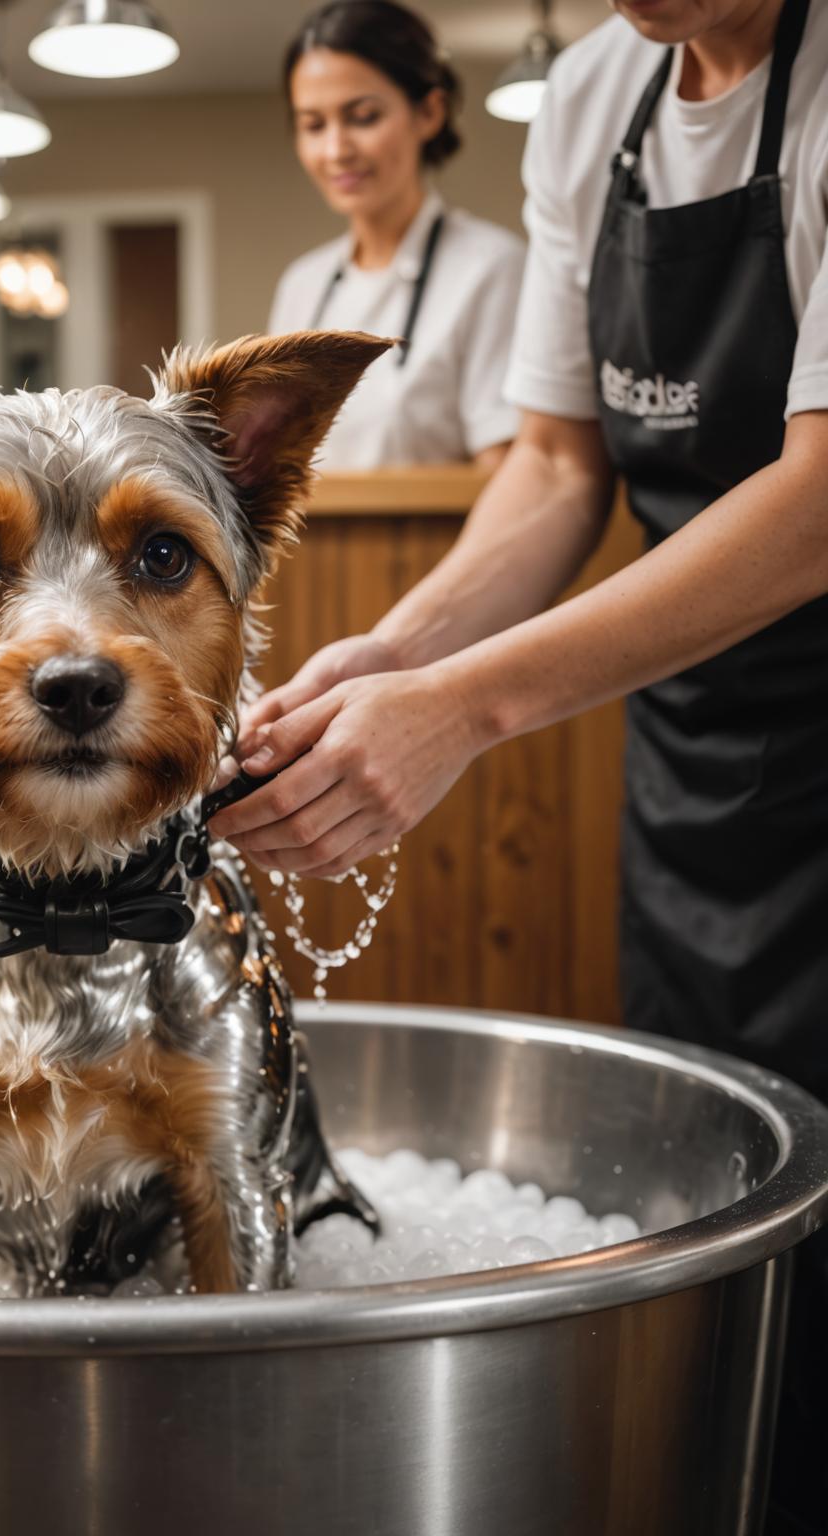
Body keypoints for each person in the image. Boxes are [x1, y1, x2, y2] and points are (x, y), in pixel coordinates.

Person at [214, 0, 828, 1527]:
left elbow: (819, 500)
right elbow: (559, 464)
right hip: (699, 742)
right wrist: (401, 657)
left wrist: (470, 710)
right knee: (746, 1189)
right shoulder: (593, 103)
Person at [270, 0, 525, 470]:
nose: (335, 150)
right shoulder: (301, 285)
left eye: (363, 117)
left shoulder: (492, 268)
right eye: (313, 125)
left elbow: (507, 474)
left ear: (429, 113)